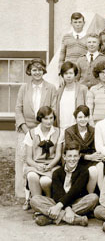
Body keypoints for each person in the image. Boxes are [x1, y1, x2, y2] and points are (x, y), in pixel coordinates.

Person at [30, 141, 99, 227]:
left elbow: (74, 192)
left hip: (75, 201)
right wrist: (67, 209)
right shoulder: (57, 172)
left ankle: (50, 218)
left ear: (79, 157)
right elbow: (58, 194)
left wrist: (62, 208)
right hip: (58, 202)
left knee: (93, 198)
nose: (72, 159)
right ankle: (73, 219)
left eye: (75, 156)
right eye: (69, 156)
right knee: (34, 200)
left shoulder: (83, 171)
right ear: (64, 157)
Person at [15, 59, 57, 199]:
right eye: (34, 70)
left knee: (42, 158)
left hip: (45, 128)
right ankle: (25, 196)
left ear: (44, 71)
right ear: (30, 71)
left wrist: (46, 125)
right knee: (23, 159)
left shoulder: (50, 88)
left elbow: (54, 108)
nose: (37, 72)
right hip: (26, 129)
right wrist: (26, 129)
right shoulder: (24, 88)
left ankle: (40, 195)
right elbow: (18, 108)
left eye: (40, 70)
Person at [23, 107, 63, 204]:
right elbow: (28, 158)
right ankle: (38, 204)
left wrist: (49, 166)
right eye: (46, 118)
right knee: (32, 176)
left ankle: (49, 201)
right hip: (35, 165)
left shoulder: (59, 132)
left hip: (52, 165)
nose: (49, 121)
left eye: (51, 118)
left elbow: (58, 155)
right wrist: (37, 166)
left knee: (45, 181)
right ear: (40, 119)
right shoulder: (31, 133)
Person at [65, 105, 103, 193]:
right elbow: (69, 150)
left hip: (91, 159)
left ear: (89, 118)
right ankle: (89, 194)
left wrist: (97, 155)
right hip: (77, 160)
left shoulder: (93, 130)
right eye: (80, 117)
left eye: (85, 117)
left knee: (100, 165)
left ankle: (102, 194)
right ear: (76, 119)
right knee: (93, 170)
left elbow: (96, 147)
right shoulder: (69, 131)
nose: (83, 119)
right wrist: (87, 157)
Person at [55, 61, 88, 131]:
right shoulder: (59, 91)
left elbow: (88, 109)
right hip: (62, 128)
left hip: (77, 129)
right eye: (66, 73)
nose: (68, 76)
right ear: (62, 75)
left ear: (75, 74)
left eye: (71, 73)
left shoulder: (83, 89)